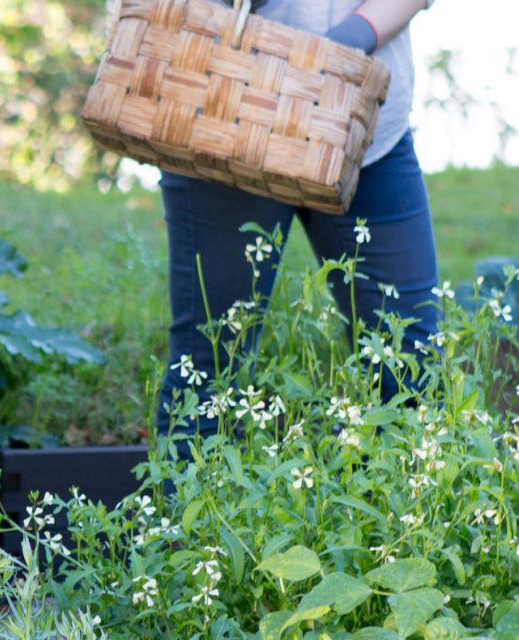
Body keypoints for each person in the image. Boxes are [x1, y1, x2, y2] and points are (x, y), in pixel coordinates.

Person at [158, 0, 439, 439]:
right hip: (226, 109)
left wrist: (356, 36)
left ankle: (411, 504)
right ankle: (186, 504)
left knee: (411, 359)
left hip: (362, 125)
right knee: (209, 360)